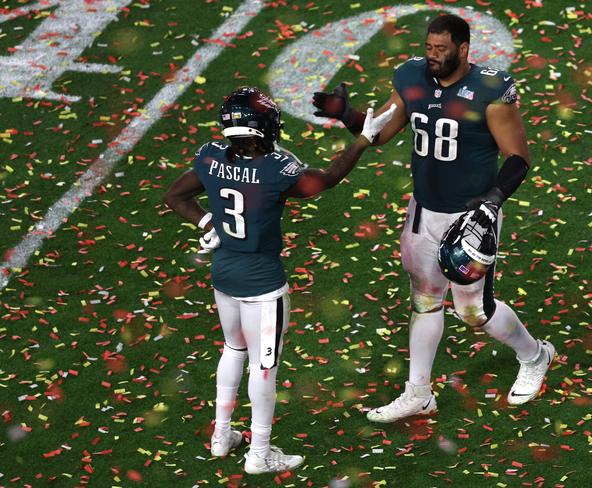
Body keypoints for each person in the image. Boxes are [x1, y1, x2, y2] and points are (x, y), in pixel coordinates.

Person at [312, 14, 555, 423]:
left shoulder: (489, 90)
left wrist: (491, 203)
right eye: (429, 48)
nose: (433, 57)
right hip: (424, 211)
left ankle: (536, 355)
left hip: (471, 216)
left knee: (474, 312)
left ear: (463, 49)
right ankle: (418, 393)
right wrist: (348, 113)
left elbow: (518, 159)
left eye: (442, 50)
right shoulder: (412, 77)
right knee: (425, 302)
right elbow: (382, 131)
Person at [165, 86, 396, 472]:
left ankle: (221, 437)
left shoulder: (208, 158)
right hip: (262, 285)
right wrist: (362, 140)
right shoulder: (276, 168)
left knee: (232, 350)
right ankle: (259, 454)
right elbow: (326, 179)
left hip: (224, 277)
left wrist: (207, 221)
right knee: (264, 367)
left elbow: (174, 196)